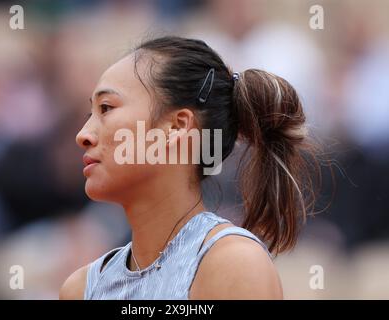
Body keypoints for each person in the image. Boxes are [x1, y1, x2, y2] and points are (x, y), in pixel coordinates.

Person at [59, 36, 318, 300]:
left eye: (106, 108)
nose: (83, 134)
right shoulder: (79, 289)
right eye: (89, 114)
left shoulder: (233, 265)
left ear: (177, 126)